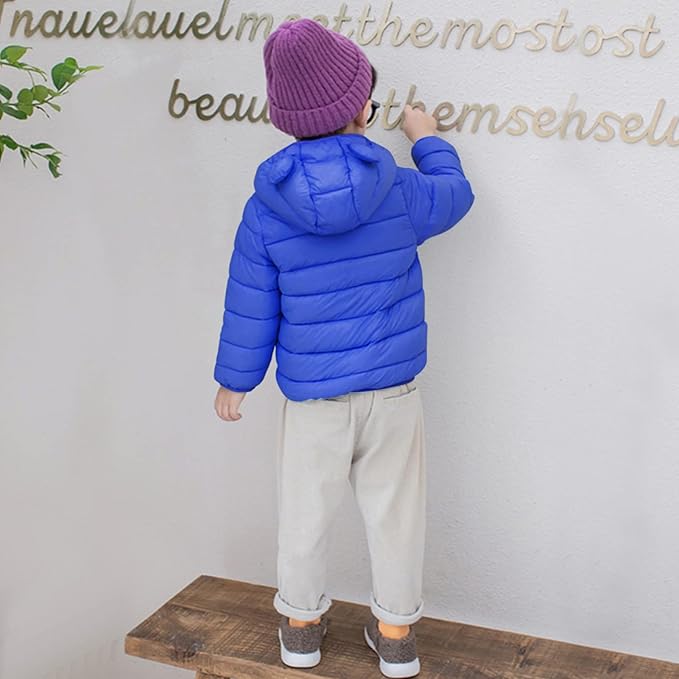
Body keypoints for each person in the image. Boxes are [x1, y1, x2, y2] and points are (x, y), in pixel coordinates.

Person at [213, 17, 475, 679]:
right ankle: (396, 636)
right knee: (396, 516)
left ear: (283, 117)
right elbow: (455, 197)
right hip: (392, 395)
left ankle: (300, 629)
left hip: (313, 403)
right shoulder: (397, 188)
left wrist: (236, 379)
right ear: (363, 108)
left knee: (303, 516)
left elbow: (251, 301)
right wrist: (427, 139)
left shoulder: (265, 208)